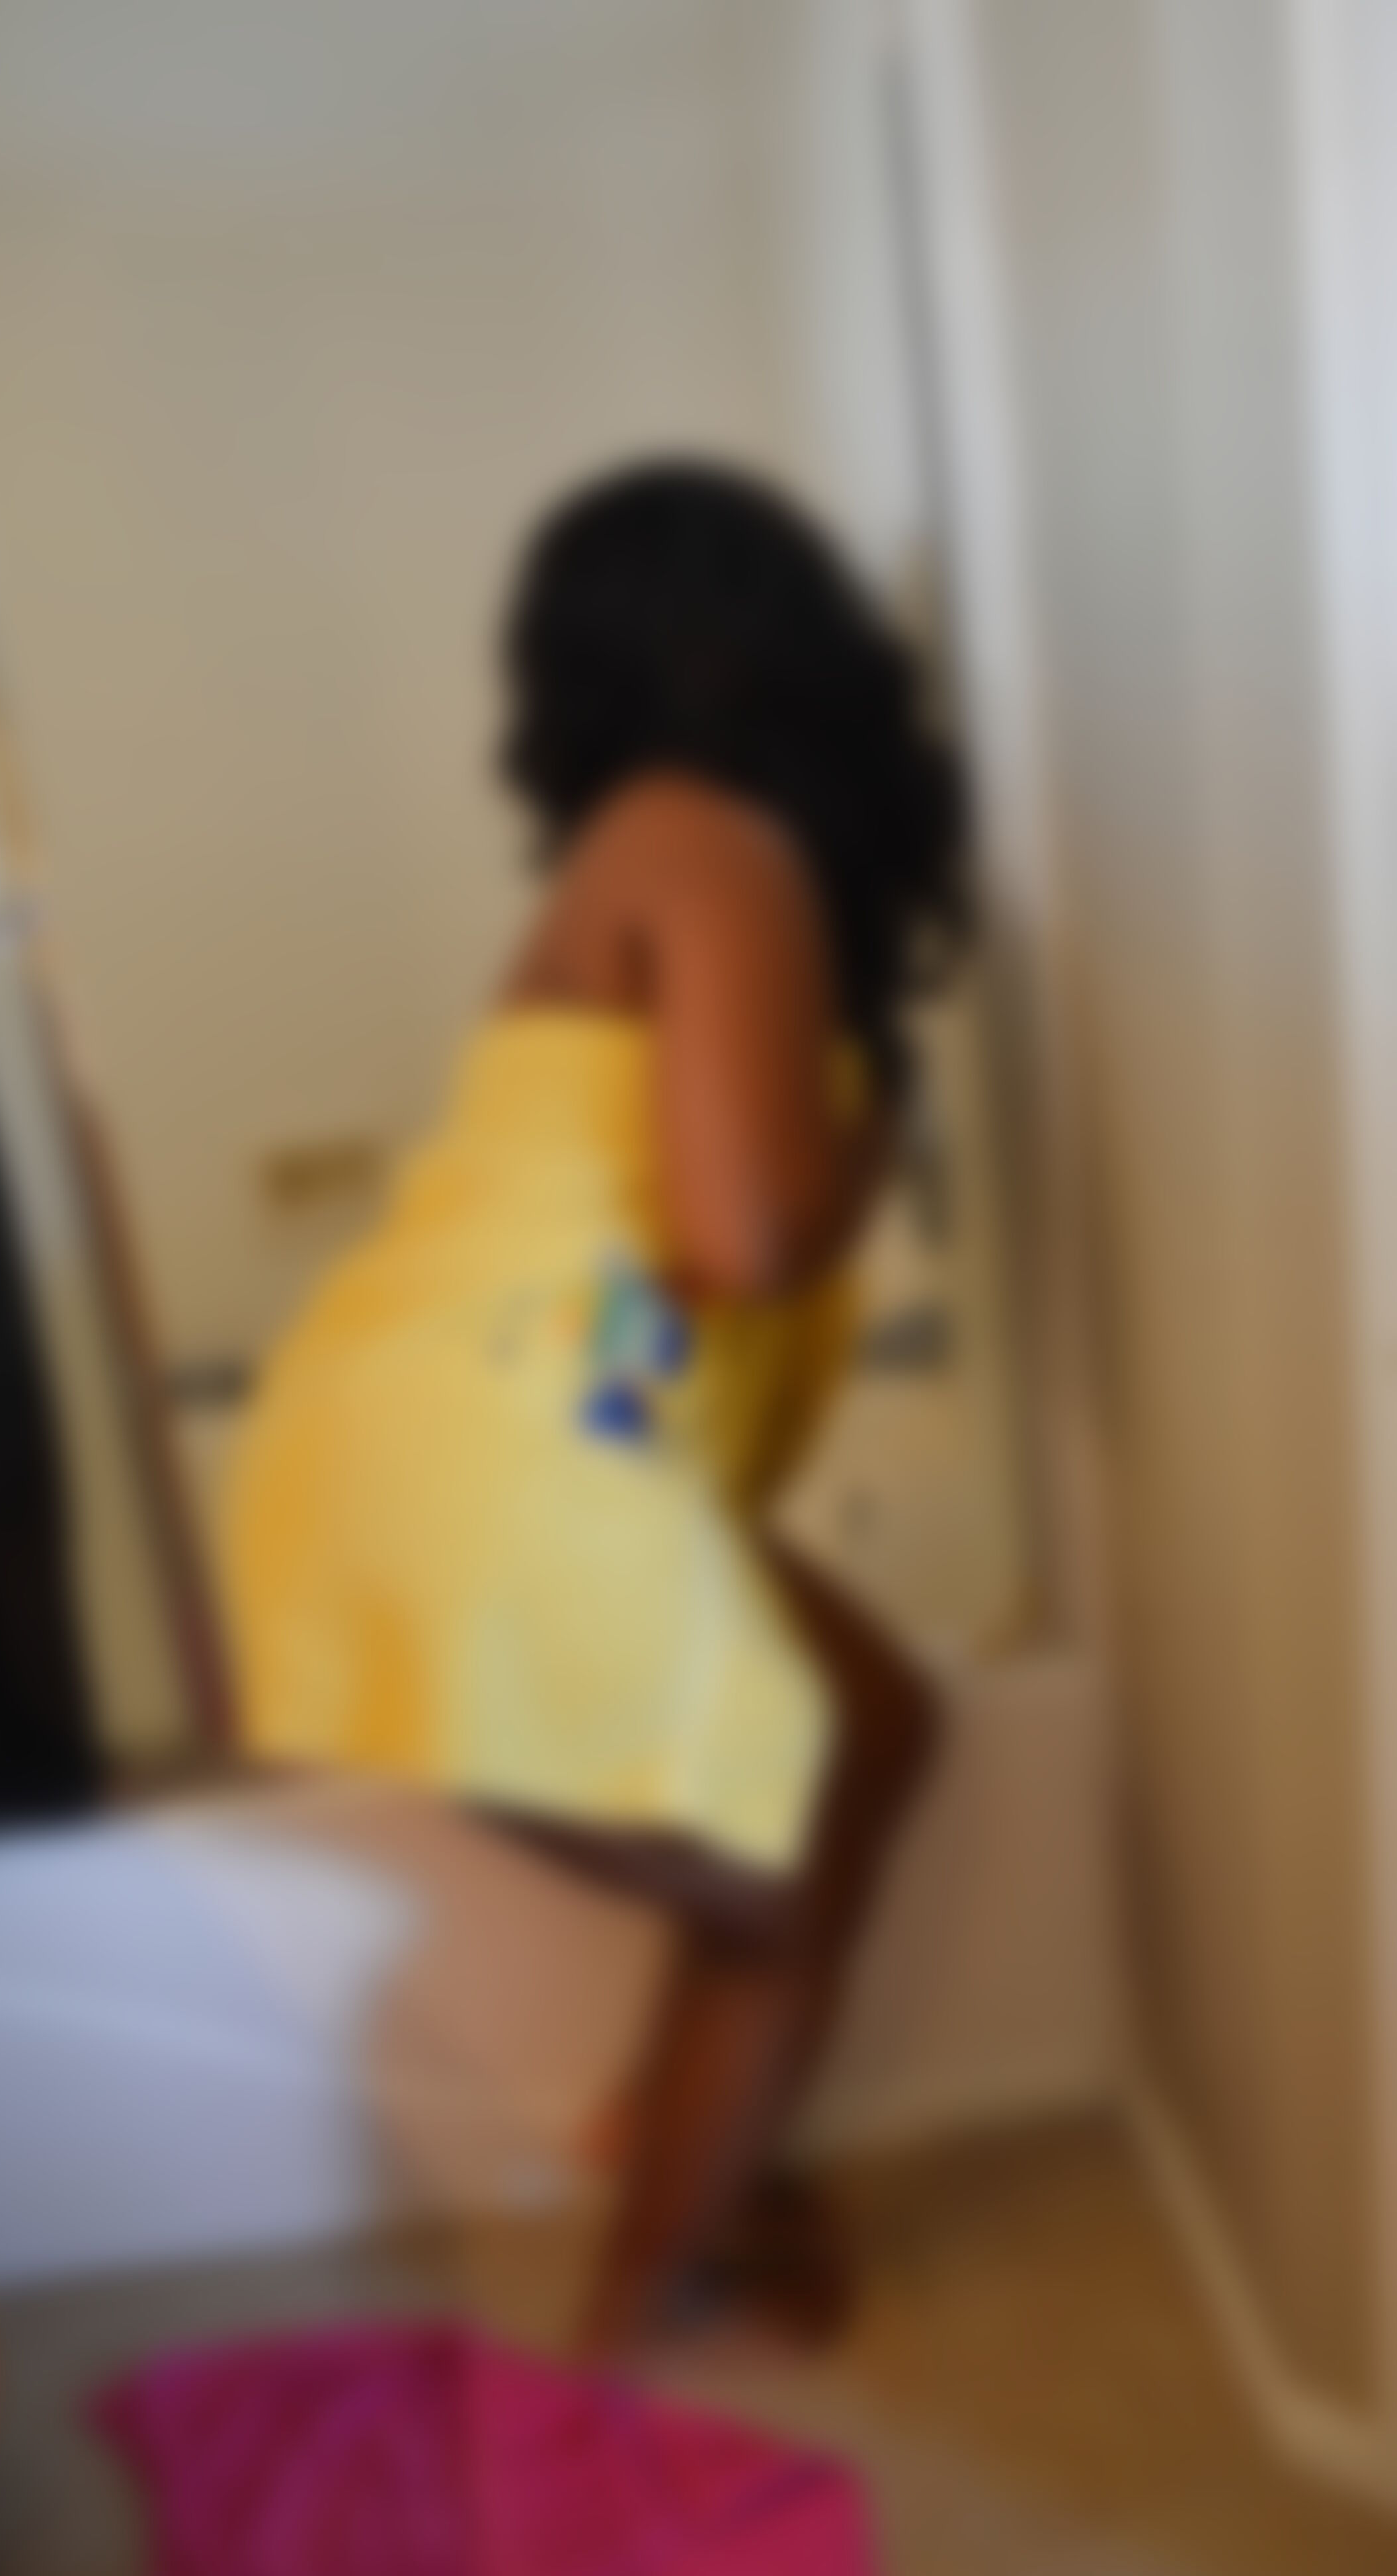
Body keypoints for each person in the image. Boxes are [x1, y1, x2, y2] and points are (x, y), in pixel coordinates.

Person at [225, 458, 972, 2347]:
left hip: (490, 1440)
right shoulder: (705, 836)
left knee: (878, 1719)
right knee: (777, 1893)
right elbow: (744, 1234)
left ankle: (687, 2133)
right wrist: (873, 1140)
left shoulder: (655, 847)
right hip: (500, 1463)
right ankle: (641, 2311)